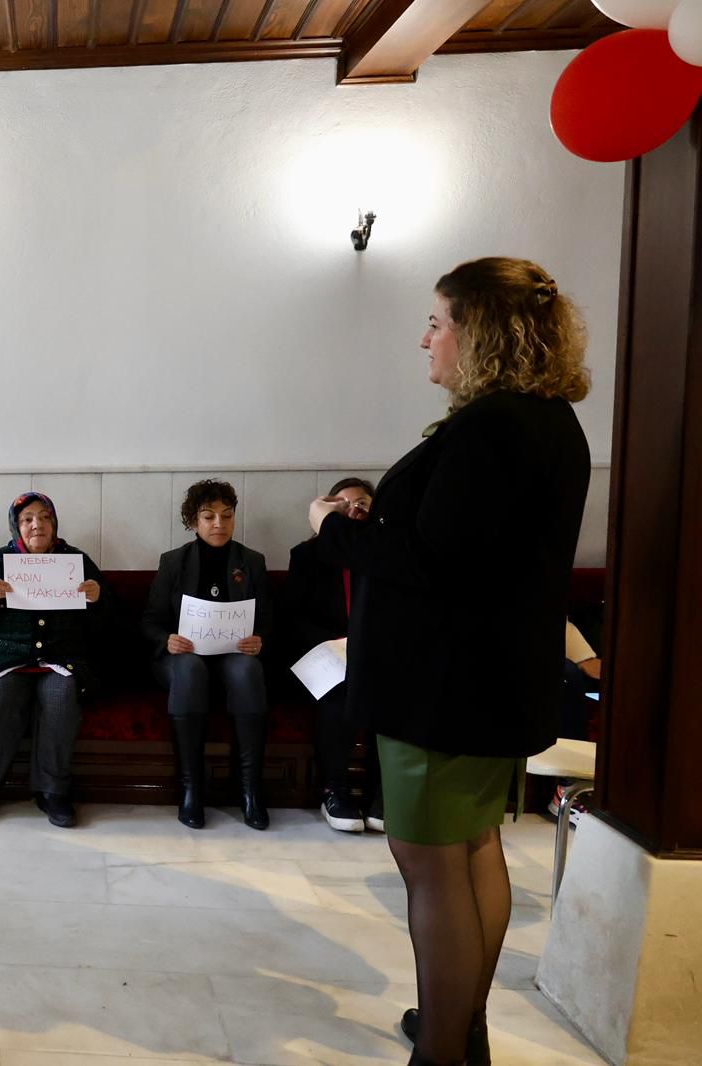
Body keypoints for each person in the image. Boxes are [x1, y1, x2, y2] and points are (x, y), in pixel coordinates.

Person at [308, 257, 591, 1066]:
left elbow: (433, 562)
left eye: (438, 321)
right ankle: (460, 1022)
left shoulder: (493, 426)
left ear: (482, 333)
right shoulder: (548, 420)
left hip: (444, 688)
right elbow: (465, 541)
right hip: (491, 679)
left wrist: (333, 524)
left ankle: (441, 1051)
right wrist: (381, 514)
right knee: (472, 850)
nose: (425, 338)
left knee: (431, 863)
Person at [0, 492, 108, 829]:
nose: (36, 525)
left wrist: (97, 599)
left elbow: (107, 626)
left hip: (62, 659)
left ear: (54, 523)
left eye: (44, 517)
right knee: (2, 695)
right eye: (27, 520)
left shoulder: (76, 561)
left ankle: (53, 790)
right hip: (3, 659)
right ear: (16, 527)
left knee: (60, 694)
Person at [142, 480, 273, 830]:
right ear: (194, 521)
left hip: (232, 655)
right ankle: (191, 790)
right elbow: (150, 621)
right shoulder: (173, 562)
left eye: (227, 516)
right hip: (182, 658)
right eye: (209, 516)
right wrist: (166, 639)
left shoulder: (253, 561)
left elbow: (270, 622)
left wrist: (260, 640)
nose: (219, 523)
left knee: (247, 670)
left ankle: (250, 791)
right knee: (188, 669)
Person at [285, 477, 382, 833]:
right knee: (339, 691)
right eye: (344, 504)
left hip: (375, 658)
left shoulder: (385, 557)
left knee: (387, 689)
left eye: (363, 503)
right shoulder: (307, 555)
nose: (354, 509)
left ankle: (380, 792)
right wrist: (338, 647)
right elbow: (294, 619)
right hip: (322, 656)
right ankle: (335, 789)